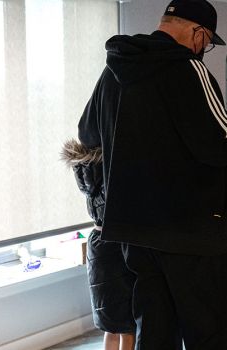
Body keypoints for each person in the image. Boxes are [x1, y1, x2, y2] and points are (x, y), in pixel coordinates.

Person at [76, 0, 227, 348]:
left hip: (135, 232)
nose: (203, 49)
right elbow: (222, 142)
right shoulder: (188, 70)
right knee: (210, 333)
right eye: (206, 41)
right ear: (197, 33)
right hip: (193, 234)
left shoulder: (114, 71)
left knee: (154, 330)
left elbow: (88, 134)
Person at [61, 140, 136, 350]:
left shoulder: (87, 173)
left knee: (110, 327)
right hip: (116, 244)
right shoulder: (113, 172)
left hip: (97, 243)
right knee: (127, 327)